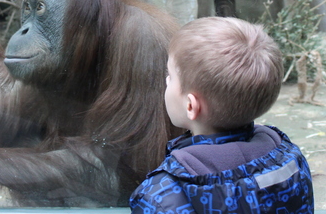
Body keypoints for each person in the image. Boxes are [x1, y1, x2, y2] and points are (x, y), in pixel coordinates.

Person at [130, 17, 314, 214]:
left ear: (191, 106)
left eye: (171, 76)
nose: (166, 80)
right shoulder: (290, 157)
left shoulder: (161, 194)